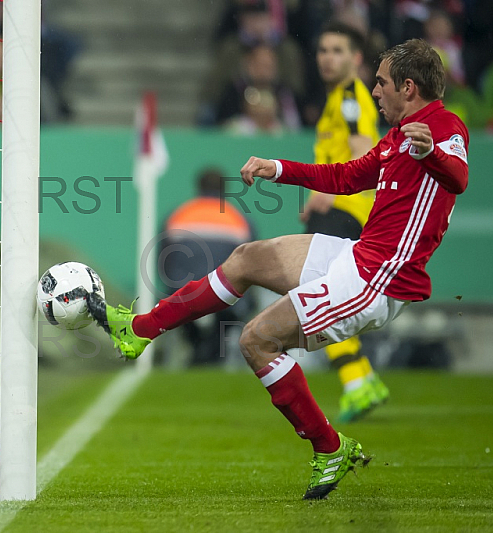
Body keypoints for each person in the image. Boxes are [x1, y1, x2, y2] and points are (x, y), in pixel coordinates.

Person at [88, 39, 468, 500]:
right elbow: (346, 177)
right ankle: (141, 330)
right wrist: (278, 167)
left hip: (378, 280)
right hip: (358, 255)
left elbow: (458, 178)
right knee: (247, 257)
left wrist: (432, 153)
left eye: (382, 83)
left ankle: (329, 449)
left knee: (255, 340)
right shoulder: (395, 138)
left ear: (409, 87)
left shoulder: (444, 128)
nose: (374, 90)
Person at [298, 22, 388, 423]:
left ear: (355, 58)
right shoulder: (340, 97)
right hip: (337, 208)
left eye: (336, 50)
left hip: (345, 210)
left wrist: (330, 195)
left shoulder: (351, 97)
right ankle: (365, 377)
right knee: (322, 293)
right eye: (322, 49)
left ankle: (356, 382)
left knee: (316, 295)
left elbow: (364, 151)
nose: (326, 57)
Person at [159, 169, 256, 365]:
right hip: (224, 297)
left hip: (183, 294)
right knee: (229, 315)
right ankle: (210, 353)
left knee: (185, 315)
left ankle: (199, 349)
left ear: (199, 188)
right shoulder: (239, 220)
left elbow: (163, 262)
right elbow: (252, 265)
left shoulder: (177, 216)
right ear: (224, 190)